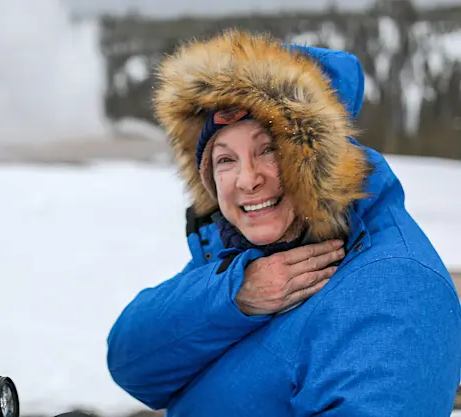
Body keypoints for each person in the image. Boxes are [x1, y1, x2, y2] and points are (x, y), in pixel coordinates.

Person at [106, 30, 461, 416]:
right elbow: (132, 365)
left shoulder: (395, 289)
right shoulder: (245, 254)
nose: (247, 179)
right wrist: (235, 295)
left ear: (318, 163)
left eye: (269, 150)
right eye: (225, 159)